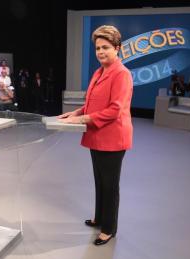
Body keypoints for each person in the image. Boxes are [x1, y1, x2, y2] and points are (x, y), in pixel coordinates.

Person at [58, 25, 133, 246]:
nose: (100, 52)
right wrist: (76, 112)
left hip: (113, 138)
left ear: (117, 48)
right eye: (98, 48)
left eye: (106, 47)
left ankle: (109, 229)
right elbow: (91, 103)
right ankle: (100, 218)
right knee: (100, 182)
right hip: (97, 135)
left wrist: (80, 120)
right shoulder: (99, 72)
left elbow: (114, 110)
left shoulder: (122, 74)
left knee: (110, 185)